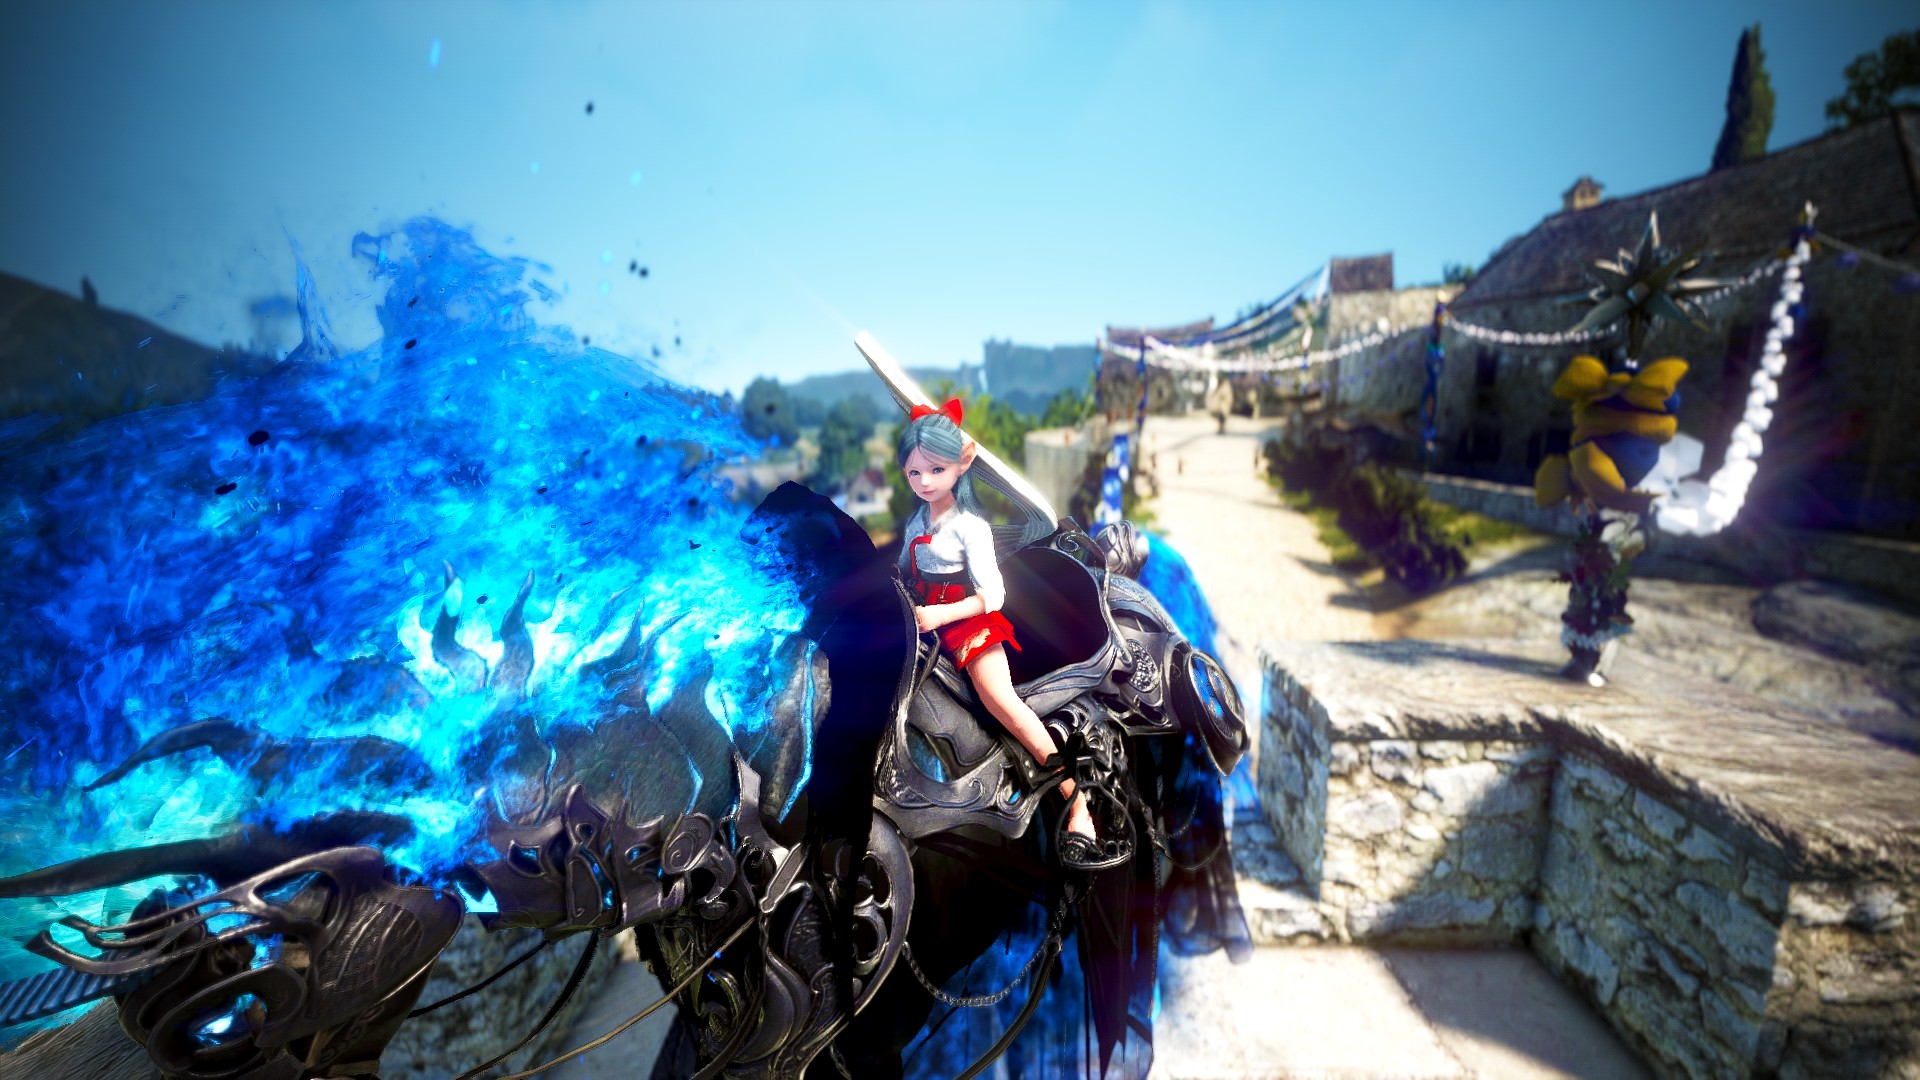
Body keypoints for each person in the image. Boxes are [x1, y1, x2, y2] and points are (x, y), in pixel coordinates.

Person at [894, 398, 1103, 857]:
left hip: (969, 625)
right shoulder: (915, 524)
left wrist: (939, 616)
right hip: (923, 626)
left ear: (960, 464)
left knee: (1001, 702)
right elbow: (905, 573)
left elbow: (994, 594)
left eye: (935, 470)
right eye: (915, 472)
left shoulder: (971, 527)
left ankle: (1077, 803)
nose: (925, 482)